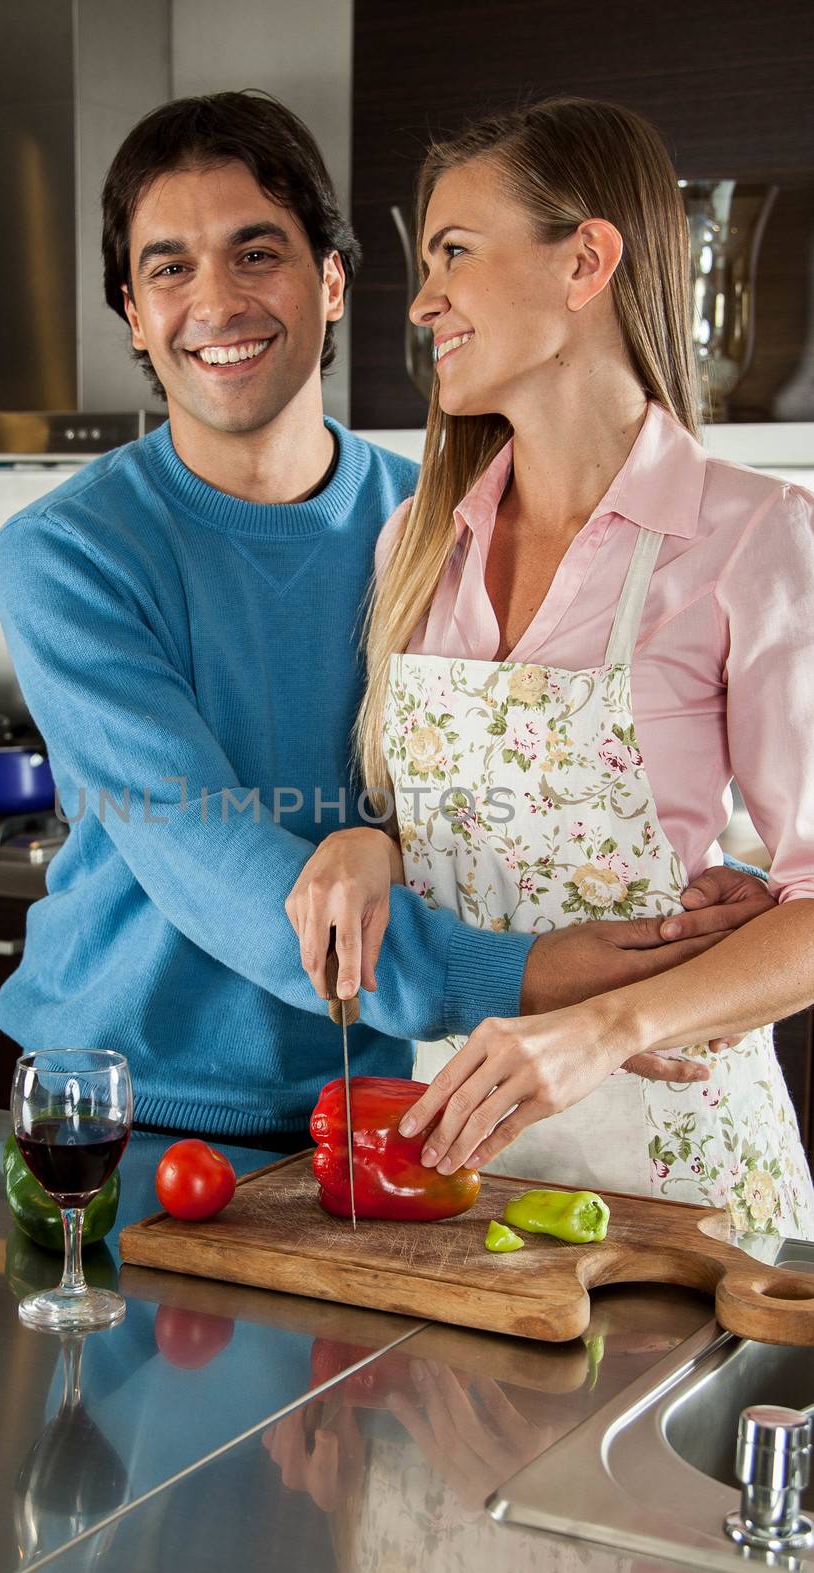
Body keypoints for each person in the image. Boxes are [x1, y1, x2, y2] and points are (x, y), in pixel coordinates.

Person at [0, 90, 770, 1144]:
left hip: (382, 1109)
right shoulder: (66, 553)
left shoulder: (427, 528)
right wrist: (524, 975)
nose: (214, 301)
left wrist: (727, 909)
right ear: (133, 312)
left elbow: (479, 799)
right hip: (129, 1104)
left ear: (331, 279)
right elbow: (199, 843)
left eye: (255, 253)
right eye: (168, 268)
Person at [287, 97, 814, 1233]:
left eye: (454, 255)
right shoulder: (418, 535)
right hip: (449, 1161)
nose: (422, 300)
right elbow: (452, 830)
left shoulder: (753, 535)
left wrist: (613, 1026)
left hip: (678, 1185)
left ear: (584, 260)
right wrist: (365, 838)